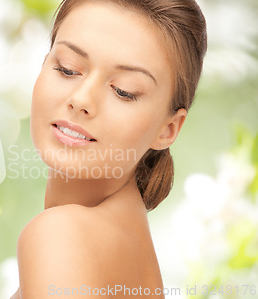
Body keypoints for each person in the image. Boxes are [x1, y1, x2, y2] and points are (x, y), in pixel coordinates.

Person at [11, 0, 207, 298]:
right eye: (68, 69)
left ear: (168, 129)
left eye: (123, 91)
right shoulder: (129, 241)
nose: (82, 100)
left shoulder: (61, 236)